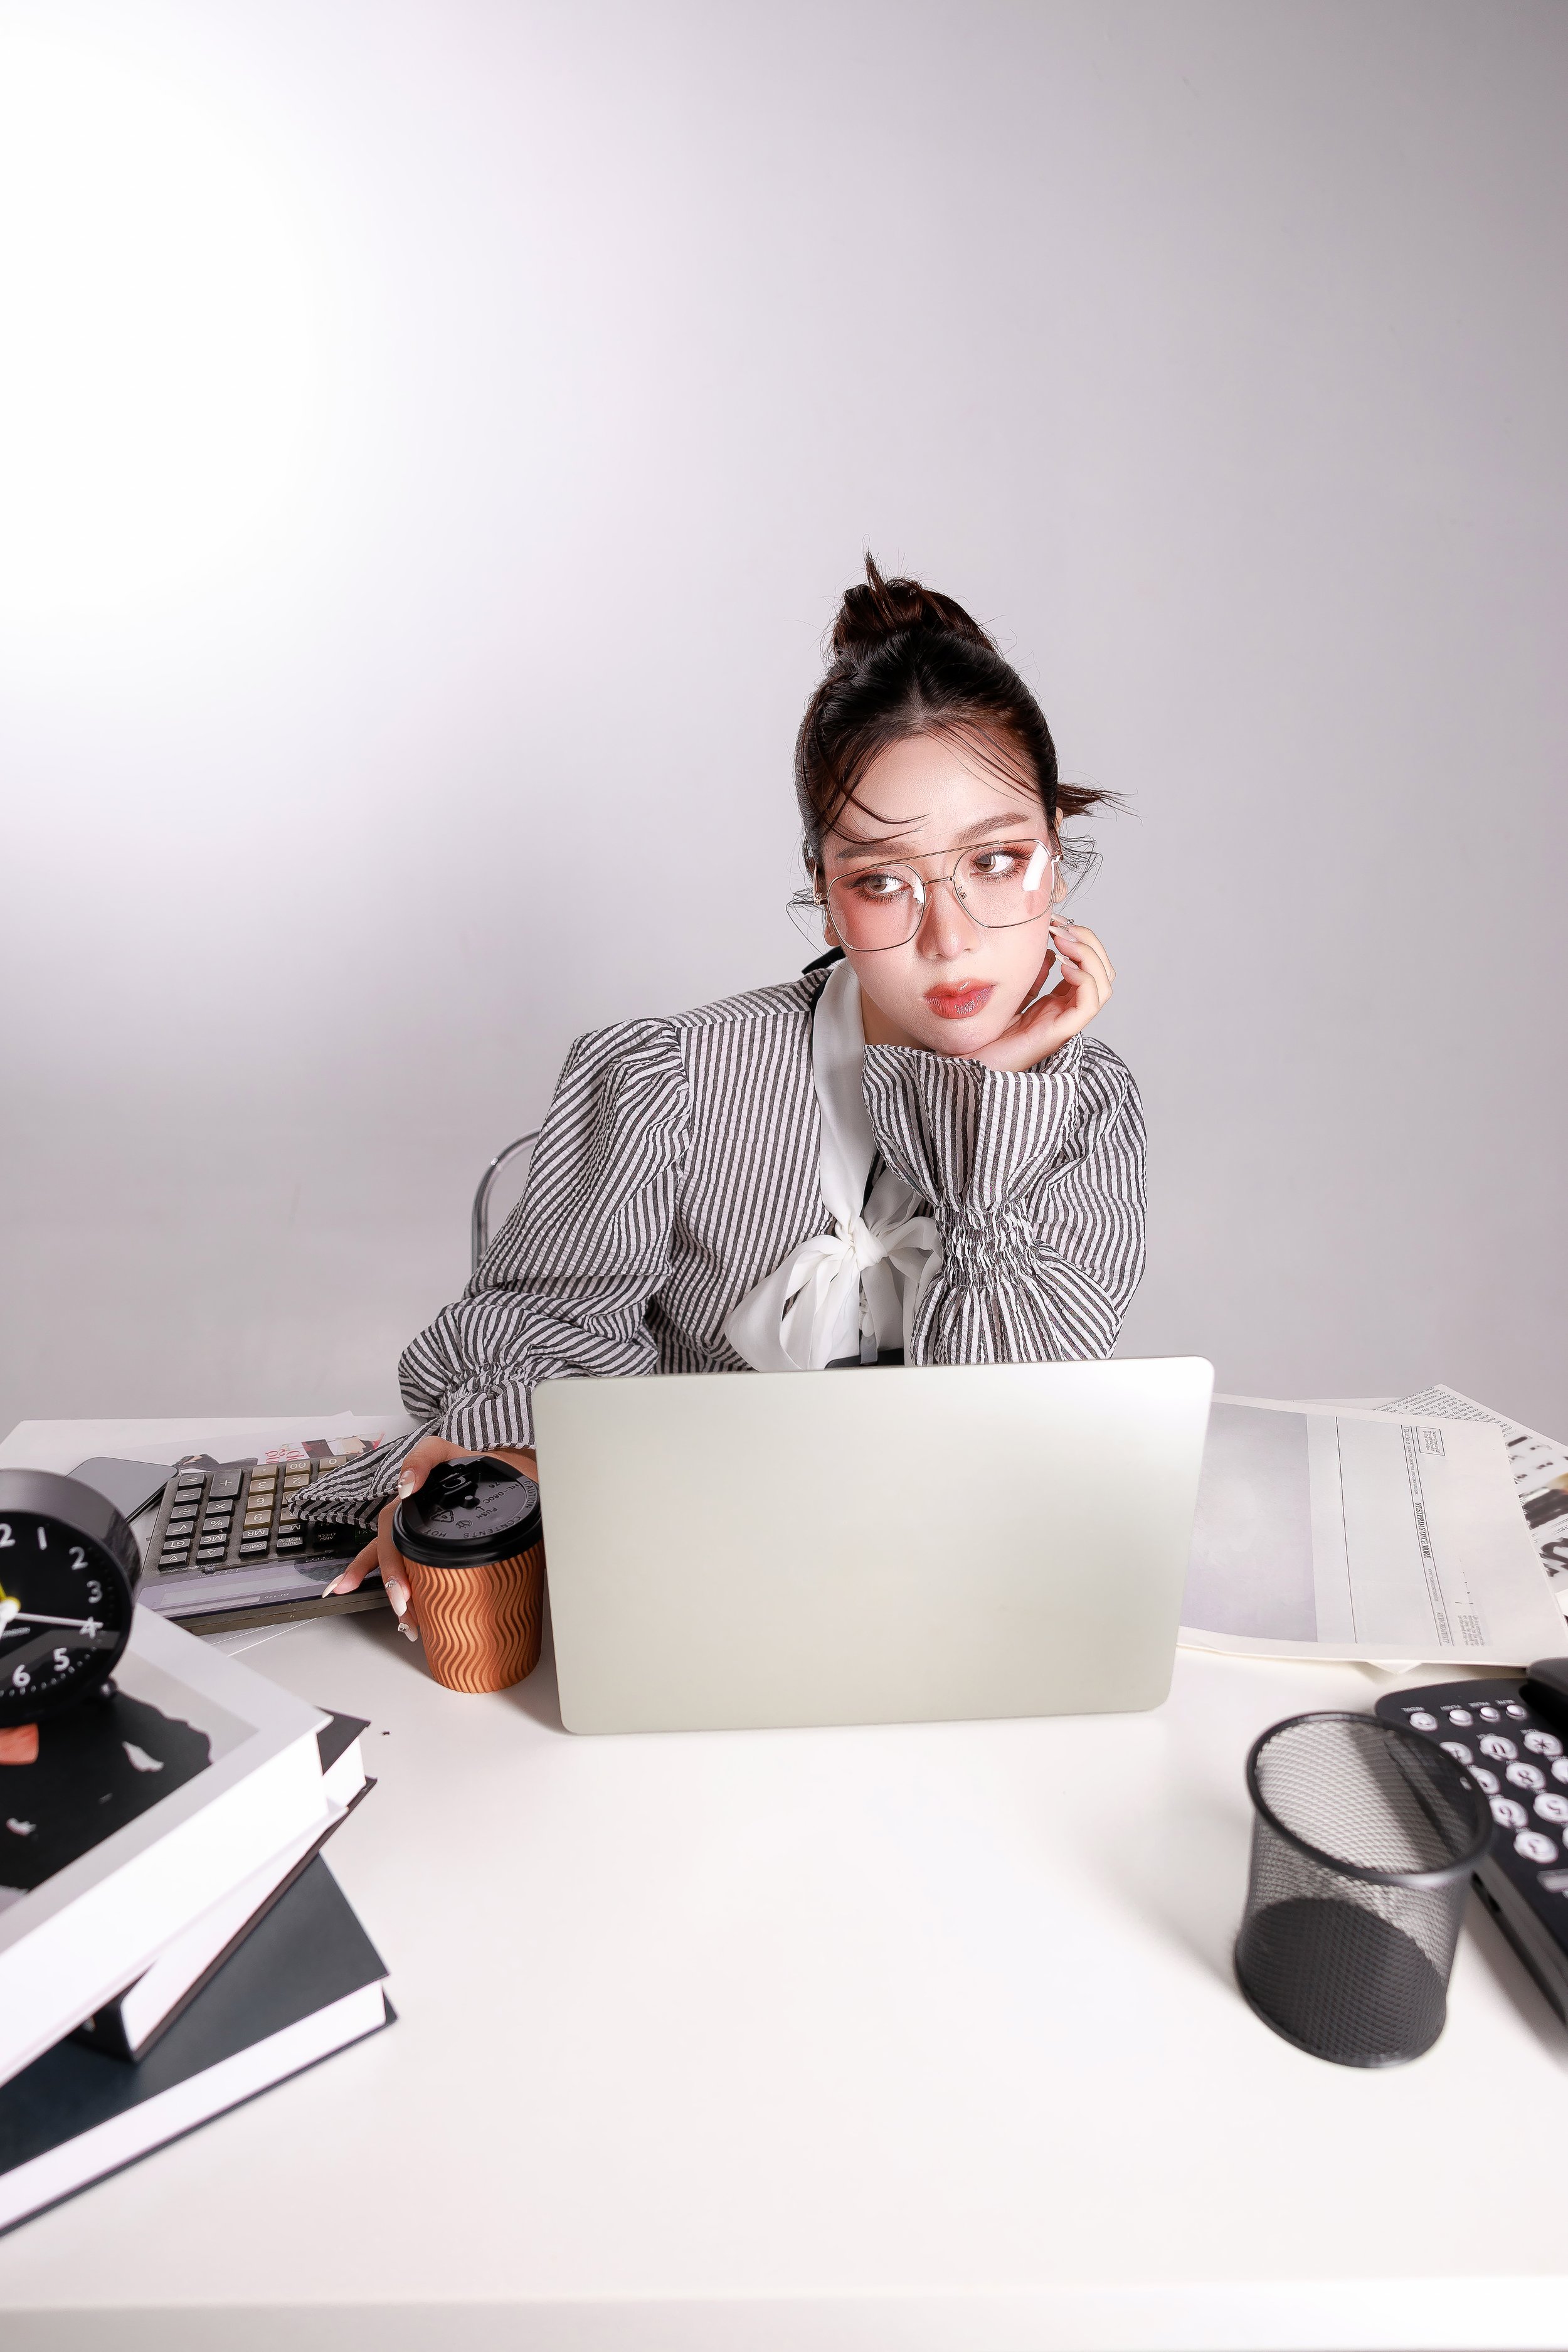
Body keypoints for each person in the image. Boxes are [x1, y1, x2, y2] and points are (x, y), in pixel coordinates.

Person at [305, 559, 1147, 1640]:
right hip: (699, 1603)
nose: (952, 937)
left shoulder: (1084, 1112)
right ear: (825, 892)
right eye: (883, 879)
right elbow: (551, 1325)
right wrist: (504, 1464)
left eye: (998, 860)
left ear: (1058, 864)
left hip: (963, 1612)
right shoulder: (675, 1080)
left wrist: (994, 1103)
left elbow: (1012, 1442)